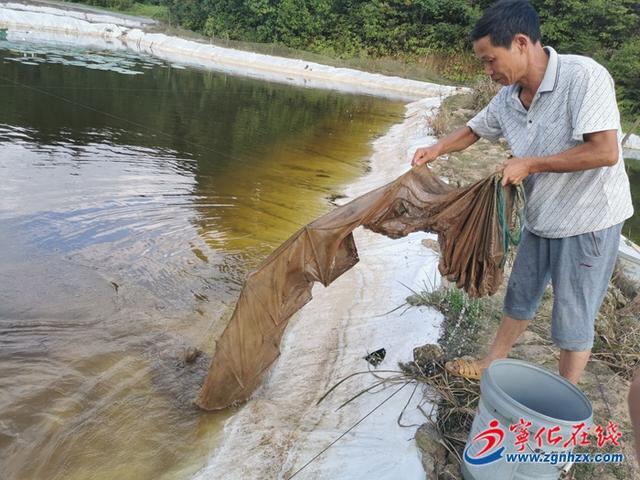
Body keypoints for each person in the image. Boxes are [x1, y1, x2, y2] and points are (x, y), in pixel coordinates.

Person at [411, 0, 633, 384]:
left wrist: (529, 164)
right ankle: (491, 363)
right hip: (543, 216)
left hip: (590, 219)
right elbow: (474, 129)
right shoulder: (508, 98)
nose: (488, 70)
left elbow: (605, 151)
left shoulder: (584, 77)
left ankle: (564, 399)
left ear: (520, 43)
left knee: (572, 316)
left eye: (491, 60)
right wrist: (436, 149)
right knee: (520, 294)